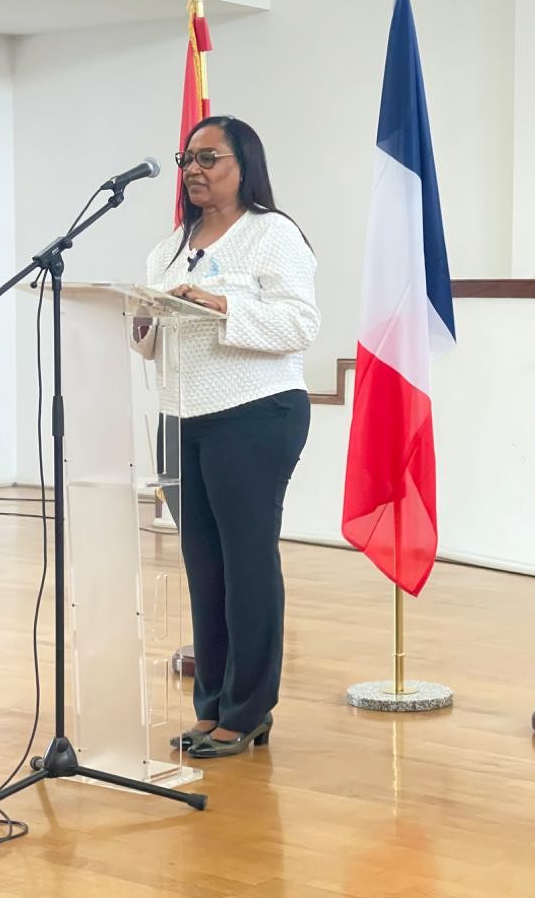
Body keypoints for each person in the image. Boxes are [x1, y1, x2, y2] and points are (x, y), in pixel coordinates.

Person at [135, 115, 319, 757]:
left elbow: (300, 325)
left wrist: (222, 305)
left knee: (247, 564)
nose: (193, 169)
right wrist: (141, 321)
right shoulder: (167, 250)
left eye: (208, 158)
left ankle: (248, 710)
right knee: (203, 566)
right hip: (179, 419)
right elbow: (153, 344)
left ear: (245, 166)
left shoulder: (273, 234)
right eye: (187, 159)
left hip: (255, 415)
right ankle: (210, 706)